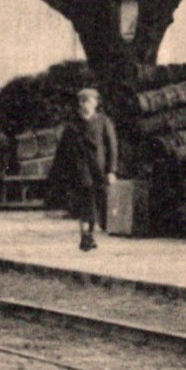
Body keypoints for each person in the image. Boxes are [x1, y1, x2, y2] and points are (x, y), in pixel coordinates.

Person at [72, 87, 120, 251]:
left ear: (96, 103)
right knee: (87, 200)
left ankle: (89, 234)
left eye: (88, 101)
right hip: (80, 169)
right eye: (81, 101)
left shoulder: (103, 121)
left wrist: (112, 170)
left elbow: (112, 146)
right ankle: (85, 236)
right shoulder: (74, 124)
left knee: (97, 201)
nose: (84, 105)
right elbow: (65, 149)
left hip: (99, 169)